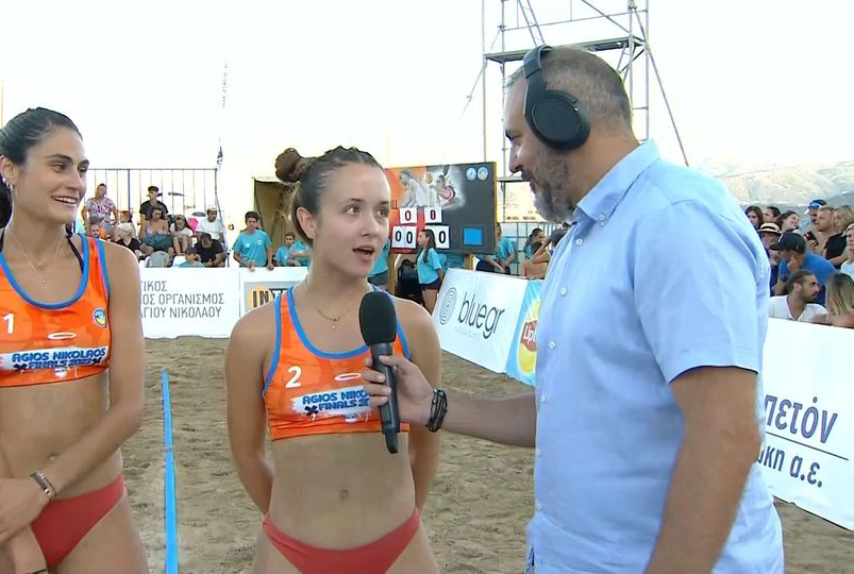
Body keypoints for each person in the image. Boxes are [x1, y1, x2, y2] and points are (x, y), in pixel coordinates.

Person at [363, 45, 783, 573]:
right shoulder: (586, 236)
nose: (513, 161)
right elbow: (565, 409)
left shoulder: (676, 219)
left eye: (517, 138)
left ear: (562, 121)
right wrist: (435, 406)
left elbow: (724, 433)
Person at [0, 107, 148, 574]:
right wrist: (21, 545)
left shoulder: (114, 266)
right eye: (59, 166)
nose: (76, 183)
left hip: (95, 509)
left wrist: (42, 486)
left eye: (81, 169)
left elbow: (128, 409)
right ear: (9, 169)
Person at [225, 146, 441, 574]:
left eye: (381, 212)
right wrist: (299, 528)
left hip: (399, 551)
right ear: (309, 221)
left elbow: (427, 446)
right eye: (352, 210)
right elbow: (247, 456)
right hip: (292, 554)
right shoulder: (256, 334)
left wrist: (397, 525)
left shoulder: (412, 324)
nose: (372, 228)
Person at [415, 229, 443, 313]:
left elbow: (438, 268)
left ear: (427, 238)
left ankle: (434, 321)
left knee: (431, 307)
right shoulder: (422, 251)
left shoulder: (431, 252)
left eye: (421, 236)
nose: (418, 239)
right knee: (427, 307)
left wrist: (442, 283)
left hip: (431, 282)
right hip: (423, 282)